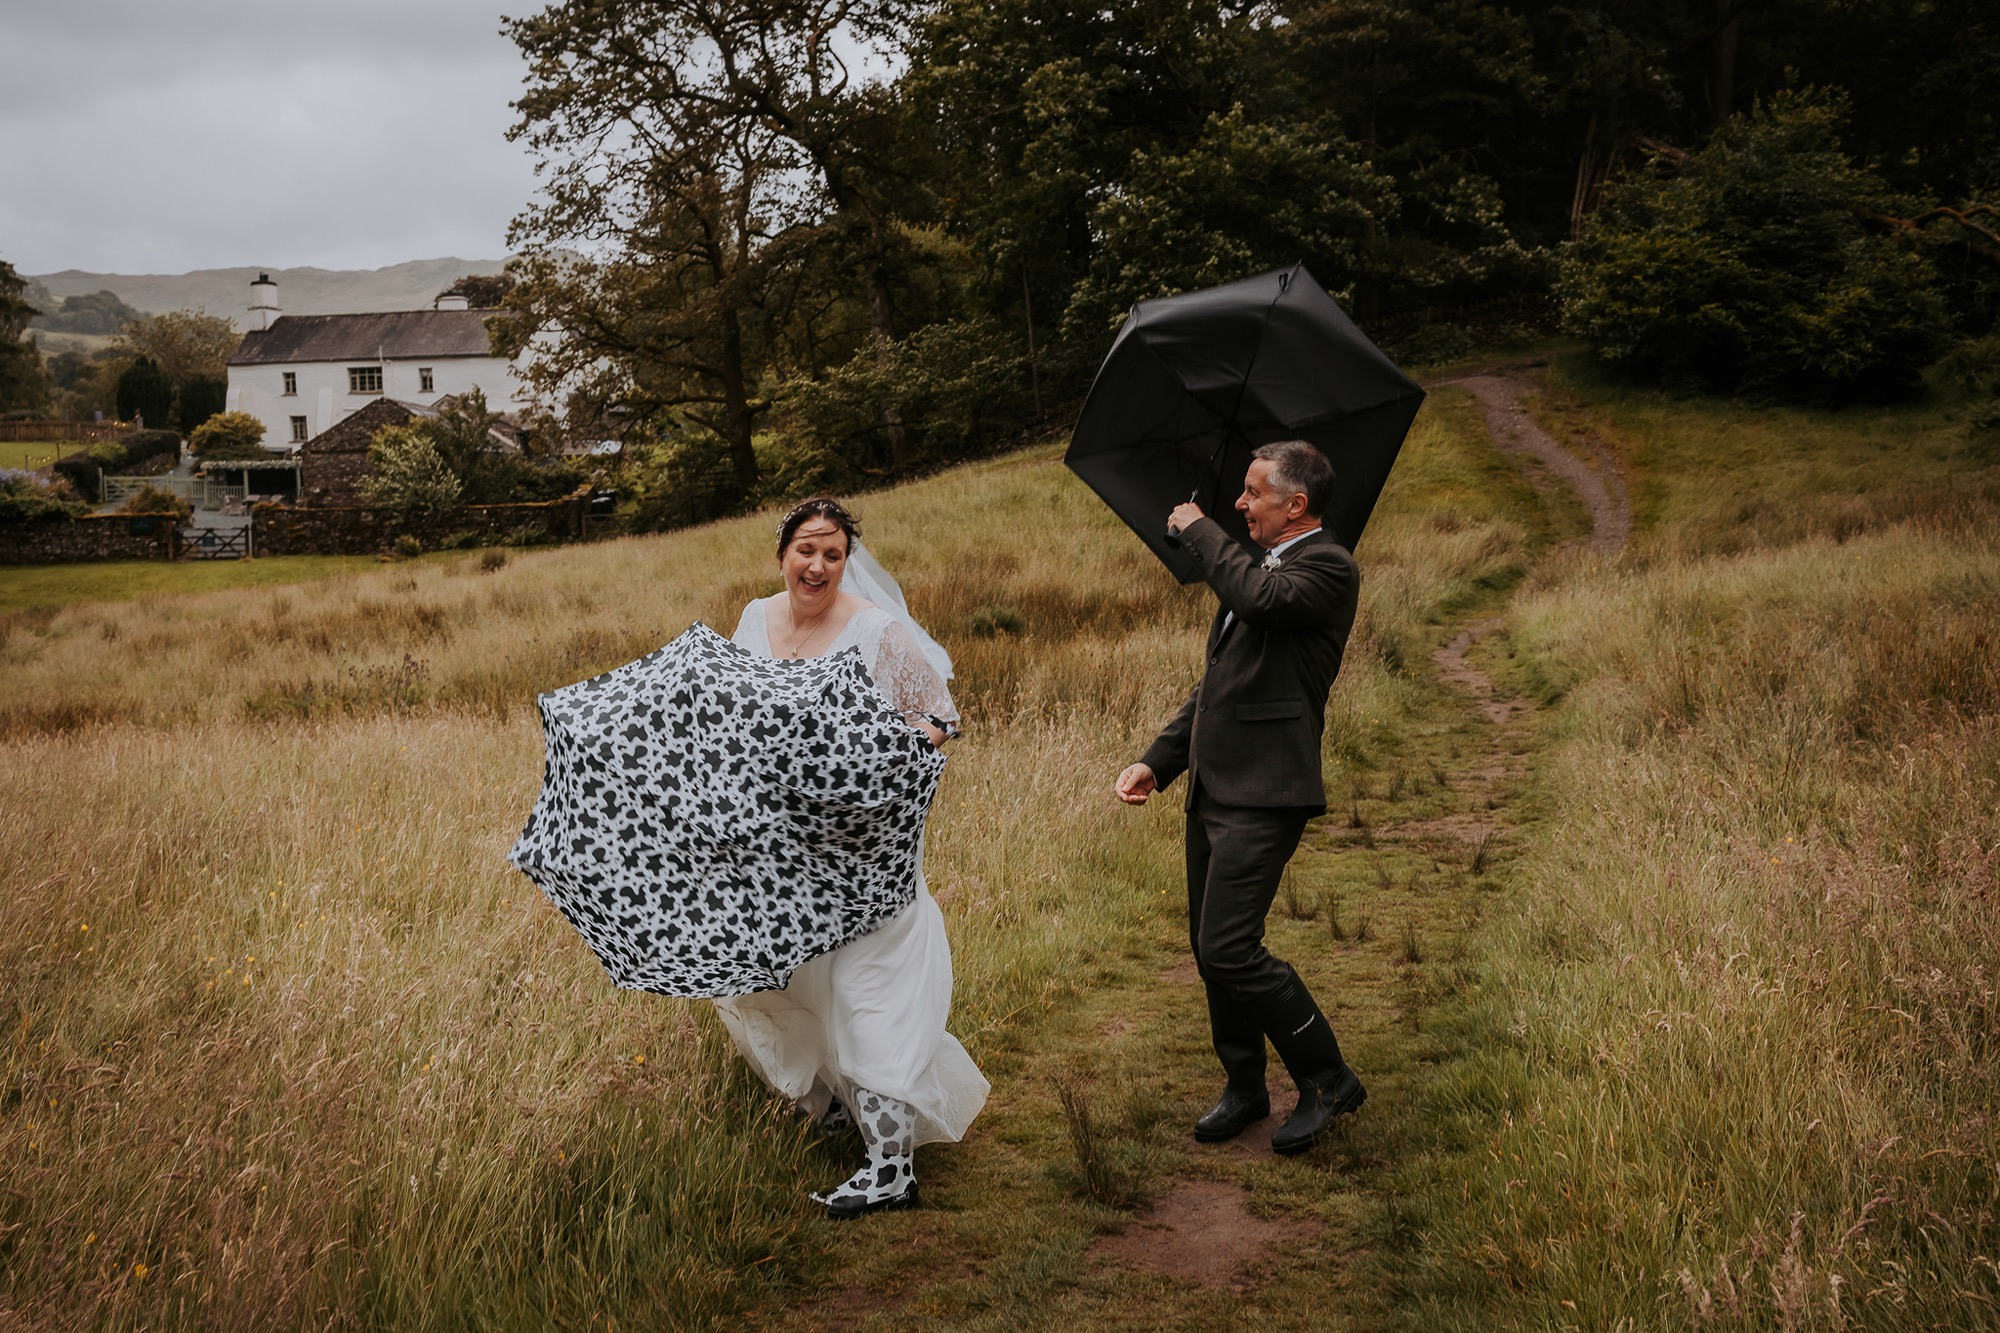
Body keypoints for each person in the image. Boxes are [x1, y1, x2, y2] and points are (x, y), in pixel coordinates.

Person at [715, 496, 988, 1217]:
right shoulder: (752, 619)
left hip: (867, 849)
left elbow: (938, 716)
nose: (819, 564)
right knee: (775, 976)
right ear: (782, 553)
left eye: (833, 553)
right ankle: (834, 1100)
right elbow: (729, 716)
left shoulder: (874, 630)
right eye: (807, 549)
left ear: (847, 561)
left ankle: (891, 1166)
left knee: (870, 991)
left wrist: (871, 770)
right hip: (784, 849)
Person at [1114, 440, 1367, 1155]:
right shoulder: (1262, 570)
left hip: (1267, 791)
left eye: (1253, 493)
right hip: (1213, 786)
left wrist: (1198, 528)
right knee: (1208, 947)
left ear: (1296, 505)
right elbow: (1217, 689)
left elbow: (1258, 597)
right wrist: (1156, 763)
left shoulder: (1327, 567)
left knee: (1229, 947)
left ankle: (1329, 1078)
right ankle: (1245, 1085)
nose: (1238, 502)